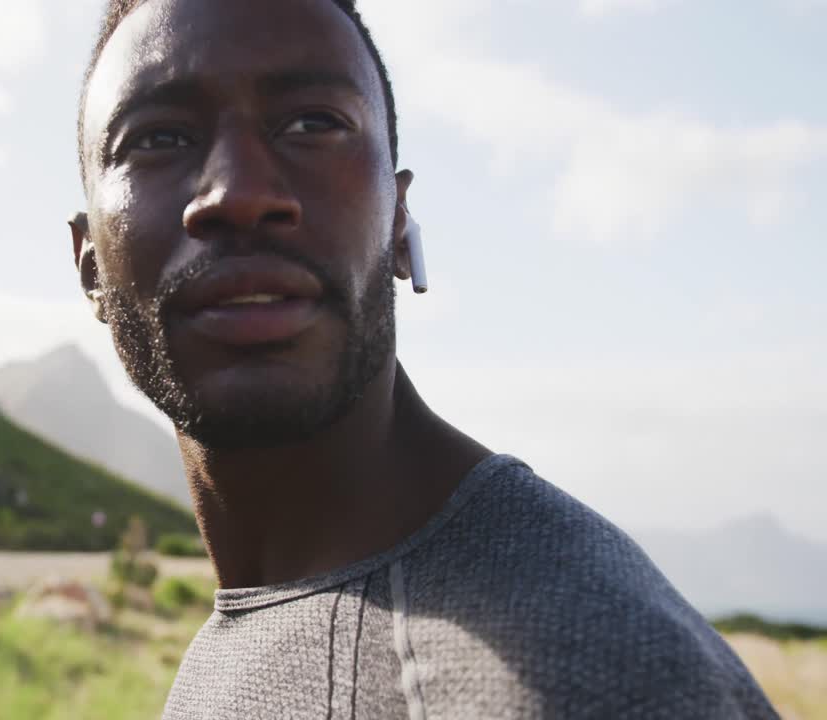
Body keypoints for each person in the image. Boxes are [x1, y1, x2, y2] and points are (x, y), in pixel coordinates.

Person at [68, 0, 776, 717]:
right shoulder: (280, 607)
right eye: (157, 137)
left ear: (400, 222)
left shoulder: (577, 680)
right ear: (89, 263)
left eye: (313, 123)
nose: (241, 193)